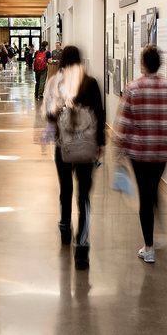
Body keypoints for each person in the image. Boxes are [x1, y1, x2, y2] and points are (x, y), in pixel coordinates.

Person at [114, 45, 167, 264]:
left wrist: (119, 146)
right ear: (159, 64)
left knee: (146, 195)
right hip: (161, 153)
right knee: (153, 189)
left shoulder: (133, 88)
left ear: (143, 63)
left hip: (139, 153)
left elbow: (124, 123)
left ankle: (149, 247)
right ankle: (158, 234)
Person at [43, 46, 105, 270]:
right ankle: (82, 247)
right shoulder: (90, 83)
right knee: (84, 196)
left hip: (63, 147)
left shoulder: (55, 83)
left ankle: (65, 228)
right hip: (87, 148)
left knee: (65, 190)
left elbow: (48, 114)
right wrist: (100, 143)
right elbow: (99, 113)